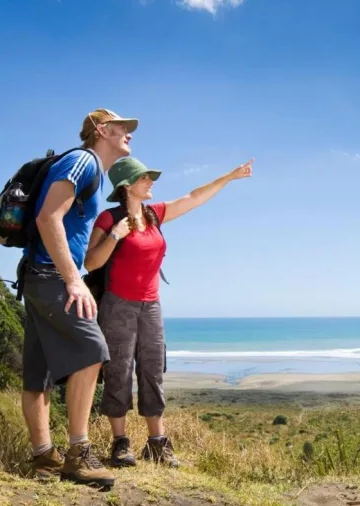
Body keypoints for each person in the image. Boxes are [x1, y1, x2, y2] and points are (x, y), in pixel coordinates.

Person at [84, 156, 253, 468]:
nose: (151, 182)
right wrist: (116, 236)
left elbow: (193, 198)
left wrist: (229, 177)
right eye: (144, 178)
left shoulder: (154, 214)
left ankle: (157, 444)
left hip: (151, 306)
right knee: (118, 372)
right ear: (126, 186)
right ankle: (120, 444)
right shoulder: (108, 220)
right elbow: (91, 262)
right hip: (117, 305)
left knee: (152, 370)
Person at [21, 108, 138, 489]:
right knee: (93, 351)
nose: (129, 135)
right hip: (53, 277)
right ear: (102, 130)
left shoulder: (92, 172)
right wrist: (74, 280)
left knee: (37, 372)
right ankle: (79, 454)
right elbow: (47, 219)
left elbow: (66, 234)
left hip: (38, 276)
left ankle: (44, 458)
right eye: (123, 128)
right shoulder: (83, 162)